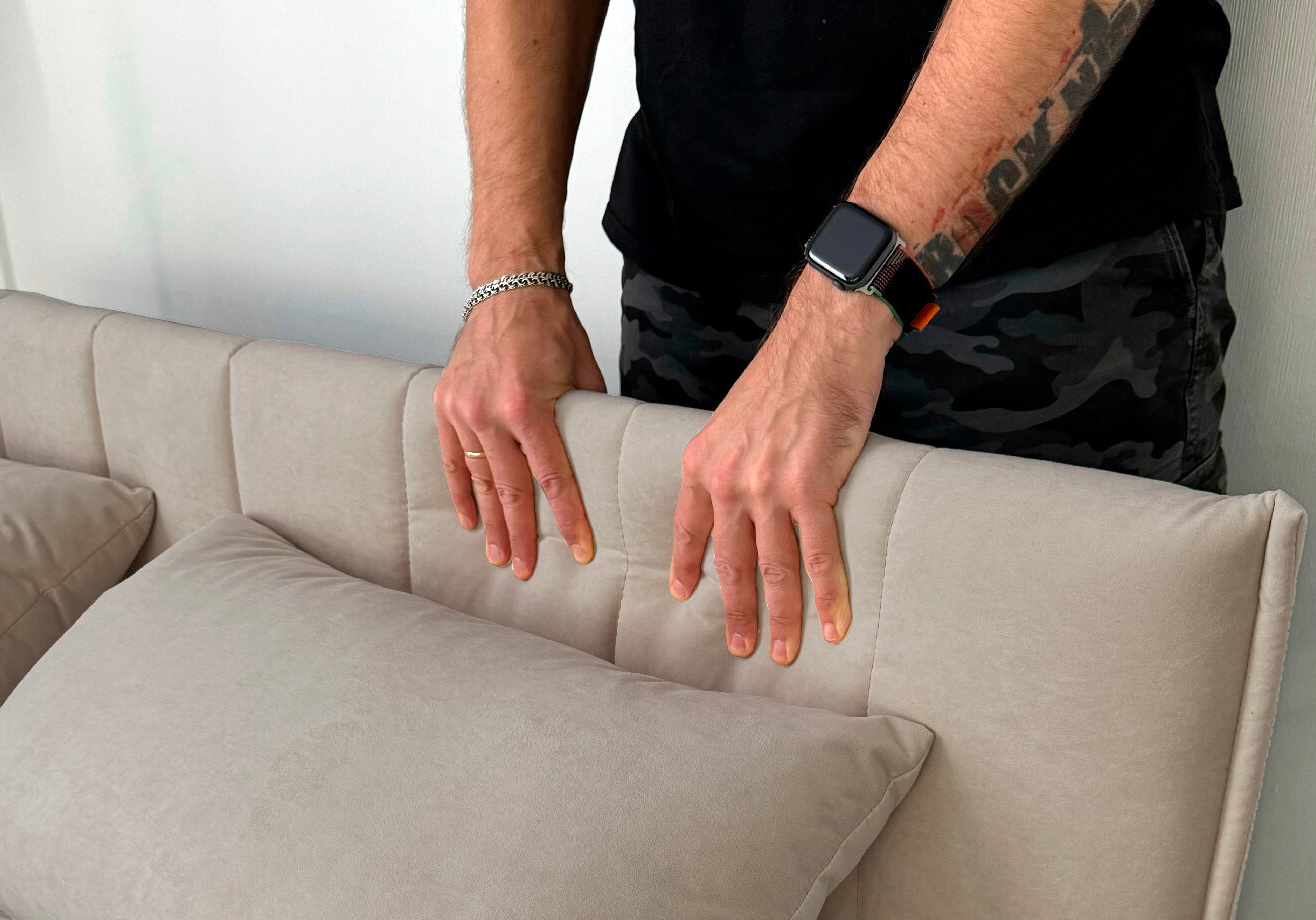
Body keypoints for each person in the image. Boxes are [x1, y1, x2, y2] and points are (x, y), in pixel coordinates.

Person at [436, 0, 1239, 666]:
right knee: (714, 737)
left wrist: (841, 307)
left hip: (1037, 268)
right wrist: (512, 271)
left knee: (1053, 740)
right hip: (698, 265)